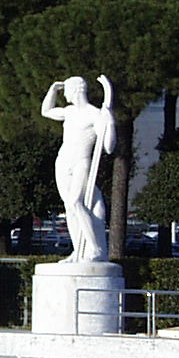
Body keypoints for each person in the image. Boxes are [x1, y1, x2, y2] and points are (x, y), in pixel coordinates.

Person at [41, 75, 115, 263]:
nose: (65, 95)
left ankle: (95, 248)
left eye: (66, 91)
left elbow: (108, 147)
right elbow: (46, 111)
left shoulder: (94, 114)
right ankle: (79, 251)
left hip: (81, 162)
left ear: (75, 90)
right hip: (63, 162)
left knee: (76, 202)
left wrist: (110, 122)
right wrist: (53, 89)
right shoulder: (70, 112)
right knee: (70, 207)